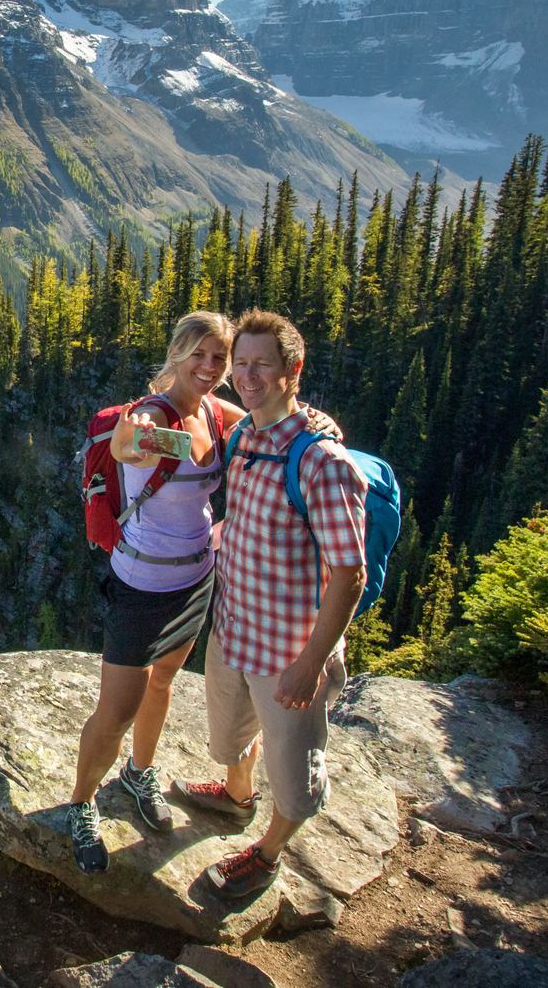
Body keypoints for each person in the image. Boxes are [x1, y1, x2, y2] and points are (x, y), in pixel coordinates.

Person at [171, 308, 368, 899]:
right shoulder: (249, 437)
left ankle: (268, 851)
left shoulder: (322, 463)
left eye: (263, 365)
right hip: (233, 630)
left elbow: (350, 575)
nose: (248, 375)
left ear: (293, 370)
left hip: (288, 654)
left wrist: (311, 663)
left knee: (294, 770)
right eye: (241, 364)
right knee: (229, 733)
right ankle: (236, 795)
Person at [67, 311, 246, 873]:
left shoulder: (219, 414)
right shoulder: (150, 415)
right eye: (200, 354)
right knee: (116, 710)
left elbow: (271, 423)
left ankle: (139, 773)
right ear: (176, 352)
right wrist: (146, 436)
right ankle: (80, 803)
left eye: (221, 358)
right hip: (141, 584)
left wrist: (314, 423)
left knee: (163, 681)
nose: (210, 367)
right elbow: (126, 444)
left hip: (196, 579)